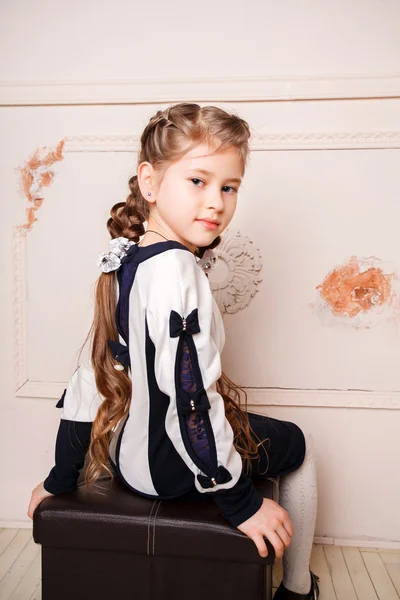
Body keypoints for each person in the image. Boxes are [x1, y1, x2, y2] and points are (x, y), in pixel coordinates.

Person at [28, 102, 319, 599]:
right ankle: (296, 589)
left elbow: (90, 380)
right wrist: (240, 503)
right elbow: (192, 405)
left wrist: (60, 476)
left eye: (229, 187)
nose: (217, 203)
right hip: (174, 471)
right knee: (298, 445)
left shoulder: (126, 258)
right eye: (198, 181)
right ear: (149, 181)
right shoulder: (179, 272)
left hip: (127, 458)